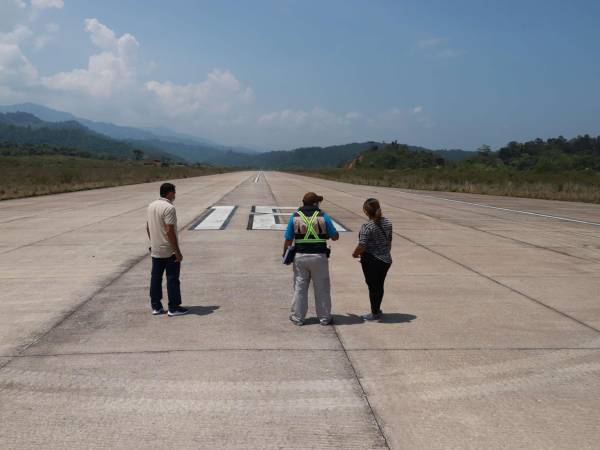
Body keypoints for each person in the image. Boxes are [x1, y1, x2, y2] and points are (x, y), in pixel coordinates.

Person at [283, 192, 339, 326]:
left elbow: (288, 239)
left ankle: (298, 317)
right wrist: (326, 234)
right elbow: (335, 236)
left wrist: (286, 254)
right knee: (322, 288)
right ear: (315, 203)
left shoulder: (295, 217)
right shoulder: (323, 216)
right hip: (319, 257)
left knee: (300, 287)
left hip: (300, 257)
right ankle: (325, 318)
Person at [146, 183, 189, 317]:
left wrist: (153, 242)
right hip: (168, 250)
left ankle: (156, 306)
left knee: (156, 277)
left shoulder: (151, 206)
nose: (175, 195)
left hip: (156, 249)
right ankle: (173, 307)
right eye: (174, 193)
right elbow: (169, 230)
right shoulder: (169, 208)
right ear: (169, 193)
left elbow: (148, 227)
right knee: (172, 278)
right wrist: (177, 251)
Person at [352, 198, 392, 321]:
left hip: (371, 260)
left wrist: (354, 254)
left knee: (373, 287)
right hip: (385, 260)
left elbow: (362, 245)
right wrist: (384, 253)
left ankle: (374, 313)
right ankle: (377, 309)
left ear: (365, 211)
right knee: (379, 286)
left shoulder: (367, 226)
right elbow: (389, 242)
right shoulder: (387, 223)